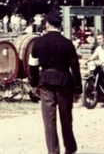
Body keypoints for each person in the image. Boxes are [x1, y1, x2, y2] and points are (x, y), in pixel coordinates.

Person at [28, 10, 81, 154]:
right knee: (66, 118)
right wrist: (77, 90)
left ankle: (53, 151)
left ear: (47, 24)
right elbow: (75, 68)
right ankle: (70, 148)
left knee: (49, 121)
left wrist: (34, 83)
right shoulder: (68, 43)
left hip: (45, 83)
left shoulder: (38, 42)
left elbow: (32, 65)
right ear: (59, 25)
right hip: (65, 83)